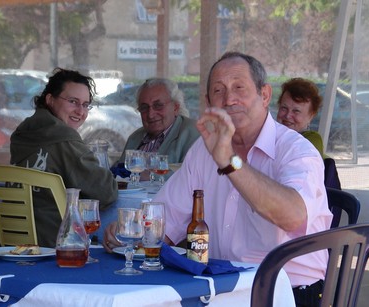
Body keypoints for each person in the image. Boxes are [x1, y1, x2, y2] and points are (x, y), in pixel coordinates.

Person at [104, 52, 333, 307]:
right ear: (208, 102)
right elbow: (164, 223)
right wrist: (131, 231)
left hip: (288, 292)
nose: (229, 99)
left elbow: (292, 215)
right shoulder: (203, 151)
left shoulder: (296, 150)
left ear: (264, 95)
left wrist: (229, 161)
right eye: (218, 90)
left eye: (239, 87)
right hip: (223, 290)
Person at [10, 68, 118, 247]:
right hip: (56, 240)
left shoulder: (23, 133)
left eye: (85, 104)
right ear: (50, 99)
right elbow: (106, 192)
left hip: (14, 238)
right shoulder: (64, 139)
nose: (80, 111)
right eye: (73, 102)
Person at [111, 78, 200, 179]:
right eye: (144, 108)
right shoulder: (135, 138)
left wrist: (146, 176)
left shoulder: (193, 133)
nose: (151, 114)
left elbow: (193, 175)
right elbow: (118, 173)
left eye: (158, 106)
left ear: (175, 107)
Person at [276, 77, 341, 189]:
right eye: (284, 108)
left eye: (296, 111)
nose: (287, 116)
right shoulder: (270, 135)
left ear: (311, 115)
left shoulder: (310, 142)